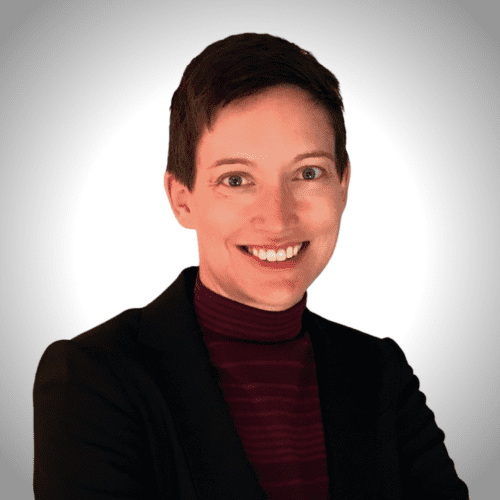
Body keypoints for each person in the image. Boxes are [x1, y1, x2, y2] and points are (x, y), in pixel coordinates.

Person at [33, 33, 469, 499]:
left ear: (343, 185)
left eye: (308, 173)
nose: (278, 217)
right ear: (182, 199)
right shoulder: (92, 378)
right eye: (236, 179)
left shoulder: (379, 372)